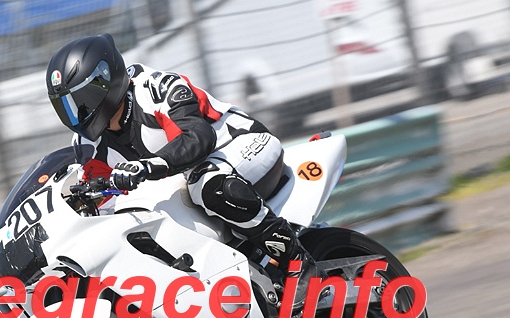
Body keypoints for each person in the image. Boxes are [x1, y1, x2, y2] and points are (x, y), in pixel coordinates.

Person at [45, 33, 316, 302]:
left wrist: (148, 165)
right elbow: (98, 195)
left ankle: (299, 263)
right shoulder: (87, 144)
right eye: (67, 105)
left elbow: (197, 137)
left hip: (240, 145)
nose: (77, 112)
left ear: (105, 80)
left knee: (208, 185)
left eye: (81, 100)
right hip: (187, 177)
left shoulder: (155, 88)